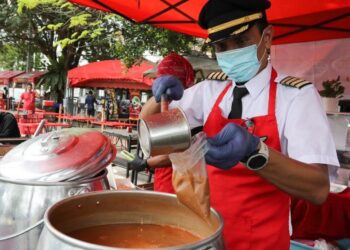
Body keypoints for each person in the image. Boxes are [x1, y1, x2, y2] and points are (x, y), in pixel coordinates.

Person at [140, 0, 339, 249]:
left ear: (266, 37)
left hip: (262, 242)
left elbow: (318, 189)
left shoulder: (296, 97)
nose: (232, 52)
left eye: (242, 41)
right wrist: (157, 97)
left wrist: (256, 152)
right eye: (222, 46)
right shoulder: (211, 90)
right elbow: (151, 135)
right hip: (207, 238)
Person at [129, 52, 195, 193]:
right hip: (164, 178)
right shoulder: (162, 101)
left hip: (184, 180)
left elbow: (179, 152)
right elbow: (143, 123)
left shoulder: (193, 104)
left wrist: (146, 163)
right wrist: (158, 97)